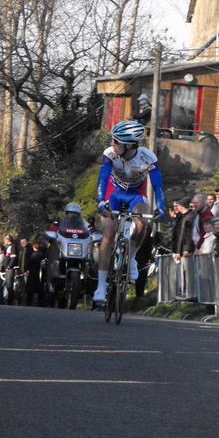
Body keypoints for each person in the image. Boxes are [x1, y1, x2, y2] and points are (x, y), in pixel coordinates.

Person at [93, 120, 165, 304]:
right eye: (113, 140)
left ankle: (131, 257)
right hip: (114, 193)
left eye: (116, 141)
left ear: (130, 144)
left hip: (136, 195)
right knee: (108, 234)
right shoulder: (110, 154)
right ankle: (101, 286)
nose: (112, 144)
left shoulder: (147, 157)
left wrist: (161, 207)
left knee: (144, 223)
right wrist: (101, 201)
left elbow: (157, 185)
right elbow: (103, 177)